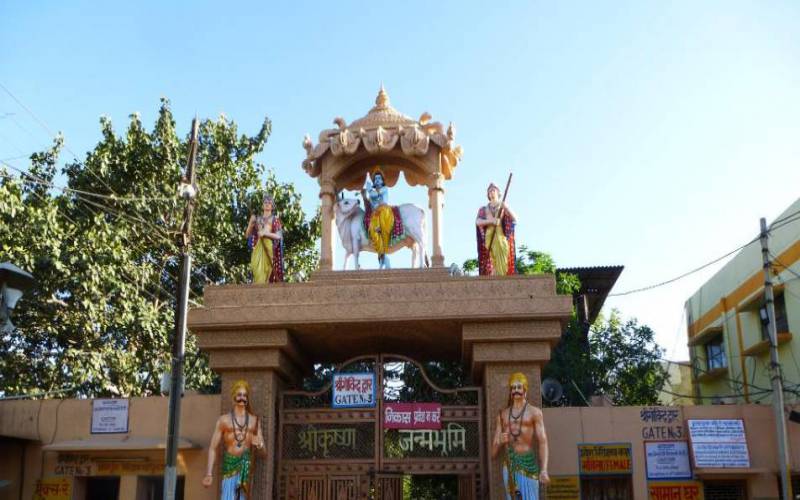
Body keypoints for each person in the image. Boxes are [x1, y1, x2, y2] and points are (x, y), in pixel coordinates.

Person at [203, 380, 266, 499]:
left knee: (242, 496)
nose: (242, 398)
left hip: (245, 464)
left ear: (247, 398)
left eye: (244, 395)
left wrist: (260, 445)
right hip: (229, 464)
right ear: (233, 397)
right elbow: (212, 448)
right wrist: (209, 473)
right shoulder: (224, 420)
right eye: (239, 395)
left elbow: (264, 453)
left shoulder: (254, 421)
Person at [492, 372, 550, 499]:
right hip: (510, 465)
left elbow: (543, 441)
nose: (515, 390)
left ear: (525, 389)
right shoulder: (502, 415)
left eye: (519, 387)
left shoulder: (535, 413)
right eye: (513, 388)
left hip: (528, 465)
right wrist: (500, 442)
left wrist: (544, 469)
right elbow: (493, 453)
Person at [476, 183, 517, 275]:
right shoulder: (484, 209)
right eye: (489, 191)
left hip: (500, 234)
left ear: (498, 192)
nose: (491, 192)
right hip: (490, 235)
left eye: (493, 190)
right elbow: (478, 222)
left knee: (503, 255)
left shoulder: (503, 206)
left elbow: (515, 219)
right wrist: (491, 221)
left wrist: (506, 207)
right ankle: (495, 275)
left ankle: (502, 276)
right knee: (493, 257)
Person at [245, 194, 284, 283]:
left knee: (265, 271)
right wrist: (250, 224)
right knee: (256, 268)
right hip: (258, 246)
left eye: (269, 203)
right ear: (262, 205)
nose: (267, 204)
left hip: (268, 246)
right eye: (265, 202)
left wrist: (266, 233)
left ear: (272, 206)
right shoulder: (257, 219)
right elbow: (247, 235)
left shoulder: (275, 219)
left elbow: (279, 236)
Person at [362, 167, 394, 267]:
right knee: (372, 229)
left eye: (379, 179)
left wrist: (369, 189)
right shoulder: (373, 191)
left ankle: (383, 254)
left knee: (379, 228)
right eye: (375, 179)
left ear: (383, 180)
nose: (377, 181)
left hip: (384, 211)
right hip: (375, 213)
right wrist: (364, 196)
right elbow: (370, 204)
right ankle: (382, 255)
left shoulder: (384, 189)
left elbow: (375, 195)